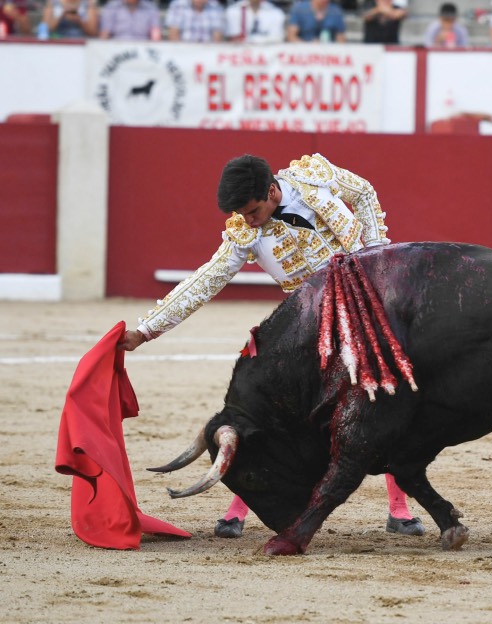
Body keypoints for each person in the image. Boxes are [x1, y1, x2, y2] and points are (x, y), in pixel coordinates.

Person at [118, 153, 426, 539]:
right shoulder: (244, 233)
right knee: (273, 413)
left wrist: (379, 253)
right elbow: (204, 281)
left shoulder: (313, 177)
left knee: (386, 395)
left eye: (252, 210)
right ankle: (239, 508)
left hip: (365, 308)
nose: (248, 220)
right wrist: (146, 330)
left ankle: (399, 508)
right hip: (307, 322)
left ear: (272, 190)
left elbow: (363, 192)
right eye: (241, 214)